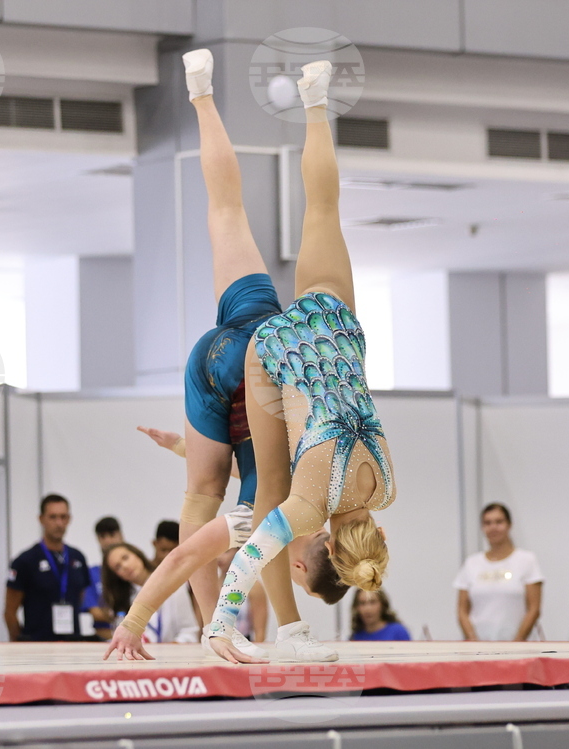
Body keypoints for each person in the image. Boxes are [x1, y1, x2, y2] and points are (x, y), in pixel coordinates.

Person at [104, 49, 345, 664]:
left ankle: (230, 93)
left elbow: (268, 456)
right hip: (221, 366)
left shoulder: (336, 489)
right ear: (298, 557)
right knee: (200, 495)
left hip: (280, 338)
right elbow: (187, 552)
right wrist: (133, 622)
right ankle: (219, 624)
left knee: (236, 211)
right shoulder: (267, 520)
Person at [205, 56, 398, 664]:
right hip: (273, 349)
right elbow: (253, 552)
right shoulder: (311, 507)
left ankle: (315, 100)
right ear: (322, 546)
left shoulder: (388, 489)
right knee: (267, 492)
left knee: (324, 207)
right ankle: (281, 632)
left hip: (332, 323)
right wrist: (221, 625)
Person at [5, 494, 90, 641]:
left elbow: (80, 598)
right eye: (53, 517)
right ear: (41, 519)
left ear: (69, 519)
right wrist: (19, 643)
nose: (59, 523)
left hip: (73, 644)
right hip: (38, 645)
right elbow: (10, 612)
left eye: (63, 517)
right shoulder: (25, 561)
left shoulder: (77, 558)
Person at [454, 504, 543, 642]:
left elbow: (534, 609)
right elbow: (462, 610)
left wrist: (517, 642)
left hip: (516, 647)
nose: (493, 527)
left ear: (509, 525)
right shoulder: (471, 563)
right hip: (478, 647)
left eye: (499, 522)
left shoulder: (526, 560)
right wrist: (473, 640)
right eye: (487, 523)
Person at [103, 543, 201, 644]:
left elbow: (189, 633)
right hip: (139, 656)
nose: (125, 566)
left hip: (174, 654)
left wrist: (166, 648)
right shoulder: (122, 600)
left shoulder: (173, 583)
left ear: (137, 554)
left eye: (125, 558)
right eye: (117, 567)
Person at [82, 516, 123, 641]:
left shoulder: (132, 572)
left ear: (121, 535)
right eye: (102, 536)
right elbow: (96, 613)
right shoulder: (91, 573)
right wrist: (121, 615)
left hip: (135, 638)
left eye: (112, 534)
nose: (108, 540)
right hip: (102, 639)